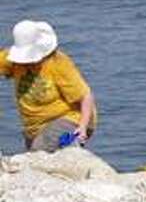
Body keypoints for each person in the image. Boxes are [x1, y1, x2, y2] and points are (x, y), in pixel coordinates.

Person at [0, 20, 97, 152]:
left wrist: (83, 128)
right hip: (34, 127)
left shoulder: (58, 63)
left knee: (38, 152)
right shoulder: (12, 60)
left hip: (71, 118)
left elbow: (86, 96)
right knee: (35, 157)